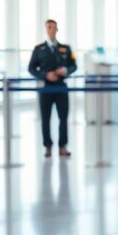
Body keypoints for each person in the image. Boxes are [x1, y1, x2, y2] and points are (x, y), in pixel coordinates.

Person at [27, 19, 76, 158]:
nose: (51, 29)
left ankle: (63, 146)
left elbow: (74, 66)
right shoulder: (39, 49)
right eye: (48, 27)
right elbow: (31, 68)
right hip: (46, 88)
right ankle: (47, 146)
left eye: (53, 27)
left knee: (63, 118)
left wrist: (66, 70)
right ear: (45, 29)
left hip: (61, 88)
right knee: (45, 118)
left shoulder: (66, 48)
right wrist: (45, 75)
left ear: (57, 29)